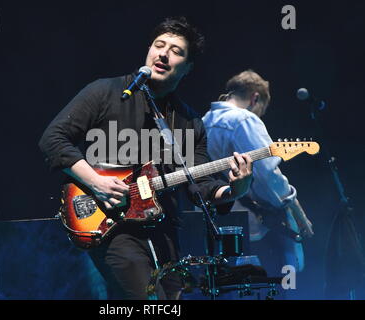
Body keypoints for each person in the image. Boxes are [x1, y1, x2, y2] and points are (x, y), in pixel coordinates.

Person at [39, 17, 253, 300]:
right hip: (113, 224)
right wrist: (95, 181)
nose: (163, 53)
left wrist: (238, 188)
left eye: (176, 51)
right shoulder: (106, 92)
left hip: (164, 232)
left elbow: (199, 186)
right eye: (158, 45)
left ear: (188, 68)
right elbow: (53, 139)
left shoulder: (190, 122)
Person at [202, 70, 314, 277]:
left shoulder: (203, 121)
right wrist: (296, 211)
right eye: (262, 109)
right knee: (276, 286)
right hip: (257, 229)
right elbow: (267, 172)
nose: (260, 115)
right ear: (255, 98)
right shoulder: (244, 120)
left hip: (218, 225)